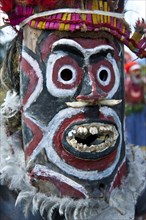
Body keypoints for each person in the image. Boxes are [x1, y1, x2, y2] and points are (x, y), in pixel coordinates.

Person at [0, 0, 146, 219]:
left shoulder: (137, 187)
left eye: (104, 74)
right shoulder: (7, 198)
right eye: (65, 74)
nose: (93, 93)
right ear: (24, 77)